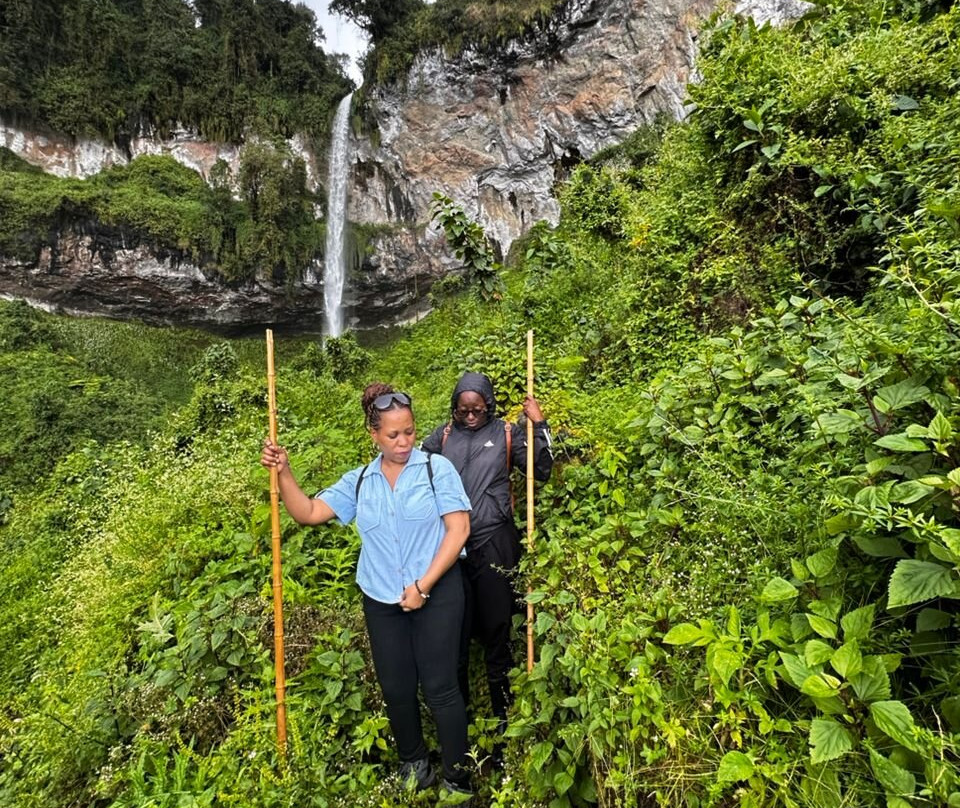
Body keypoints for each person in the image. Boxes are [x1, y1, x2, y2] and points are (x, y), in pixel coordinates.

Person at [260, 383, 474, 797]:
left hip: (438, 591)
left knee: (441, 686)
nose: (403, 442)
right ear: (373, 434)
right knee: (395, 687)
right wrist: (284, 470)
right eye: (393, 435)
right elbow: (308, 512)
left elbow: (459, 529)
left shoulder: (435, 469)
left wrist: (423, 586)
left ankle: (457, 780)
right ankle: (415, 765)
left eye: (409, 432)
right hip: (381, 599)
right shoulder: (360, 481)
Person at [421, 371, 554, 742]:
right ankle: (457, 725)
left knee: (497, 632)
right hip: (450, 549)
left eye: (477, 407)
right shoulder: (442, 437)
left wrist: (539, 423)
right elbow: (413, 470)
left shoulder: (506, 434)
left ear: (489, 403)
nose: (470, 413)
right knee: (455, 636)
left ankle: (503, 718)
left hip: (494, 542)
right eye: (463, 408)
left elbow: (541, 470)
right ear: (454, 406)